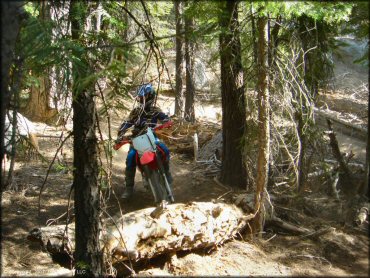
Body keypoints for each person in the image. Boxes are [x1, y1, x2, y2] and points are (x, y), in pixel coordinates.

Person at [115, 83, 173, 199]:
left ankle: (166, 173)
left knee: (165, 150)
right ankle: (129, 188)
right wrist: (121, 132)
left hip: (152, 137)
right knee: (130, 159)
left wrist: (167, 121)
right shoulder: (136, 112)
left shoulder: (155, 110)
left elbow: (165, 119)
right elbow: (127, 123)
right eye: (140, 97)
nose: (141, 100)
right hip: (136, 139)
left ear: (150, 96)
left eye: (144, 97)